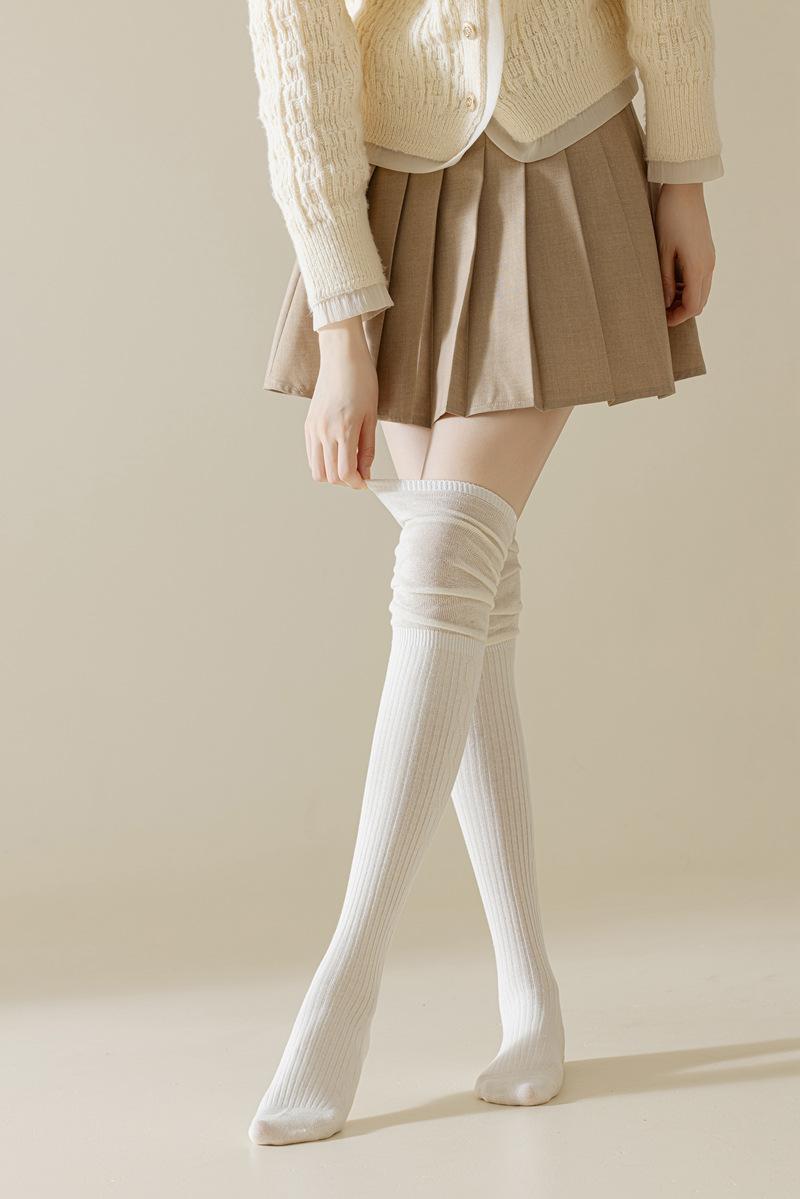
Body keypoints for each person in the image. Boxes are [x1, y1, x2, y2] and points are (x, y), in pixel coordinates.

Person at [244, 0, 722, 1146]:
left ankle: (344, 981)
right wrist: (342, 332)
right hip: (398, 195)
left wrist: (681, 170)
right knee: (473, 604)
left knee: (446, 554)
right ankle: (528, 992)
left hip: (568, 151)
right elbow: (298, 64)